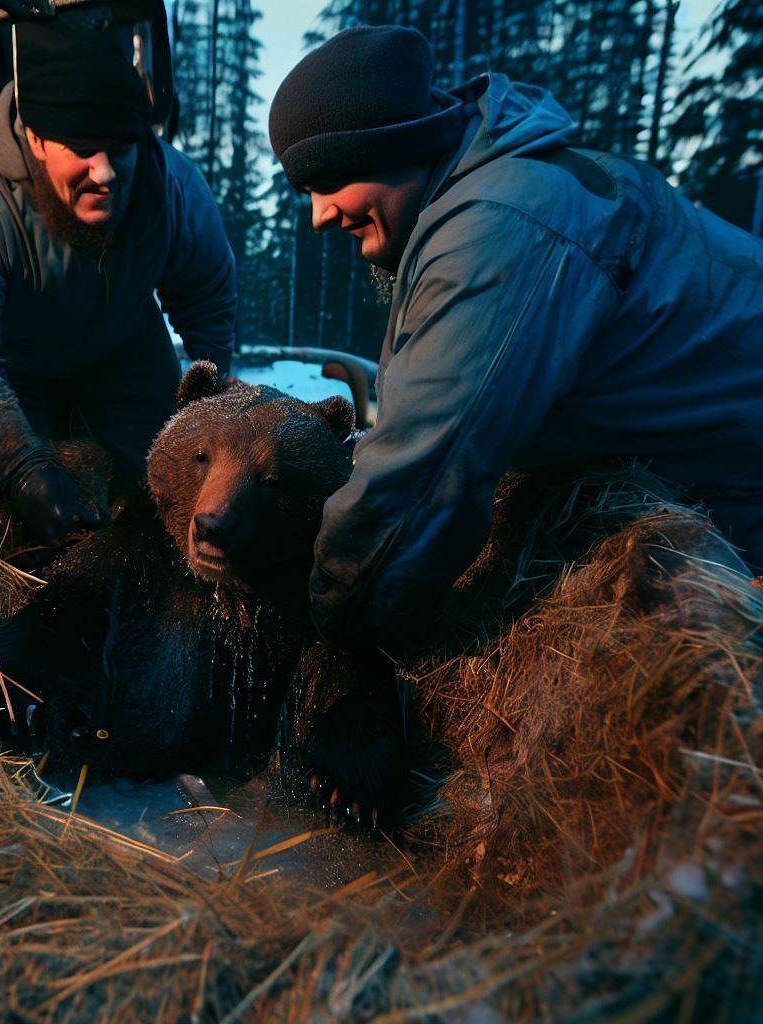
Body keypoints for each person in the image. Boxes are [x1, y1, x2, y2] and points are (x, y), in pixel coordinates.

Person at [269, 25, 763, 655]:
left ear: (401, 147)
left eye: (330, 180)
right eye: (305, 191)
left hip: (741, 483)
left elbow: (424, 476)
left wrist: (333, 635)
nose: (319, 214)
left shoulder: (499, 227)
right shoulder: (487, 197)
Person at [0, 14, 236, 544]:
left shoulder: (172, 184)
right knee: (26, 524)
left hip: (127, 350)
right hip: (17, 371)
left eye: (120, 147)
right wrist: (22, 465)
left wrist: (211, 411)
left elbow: (206, 299)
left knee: (168, 500)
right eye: (82, 149)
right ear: (35, 139)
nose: (104, 172)